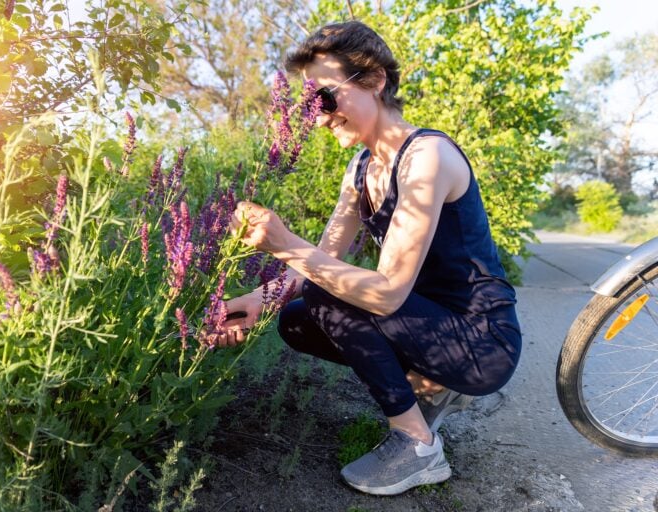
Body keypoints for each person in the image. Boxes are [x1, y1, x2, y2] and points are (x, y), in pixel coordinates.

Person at [207, 20, 522, 496]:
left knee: (327, 293)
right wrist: (257, 299)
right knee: (295, 319)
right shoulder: (360, 168)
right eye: (308, 104)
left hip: (482, 342)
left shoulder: (427, 157)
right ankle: (427, 379)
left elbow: (388, 292)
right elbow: (325, 254)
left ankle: (418, 446)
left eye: (326, 99)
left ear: (374, 80)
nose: (316, 116)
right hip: (430, 327)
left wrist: (285, 242)